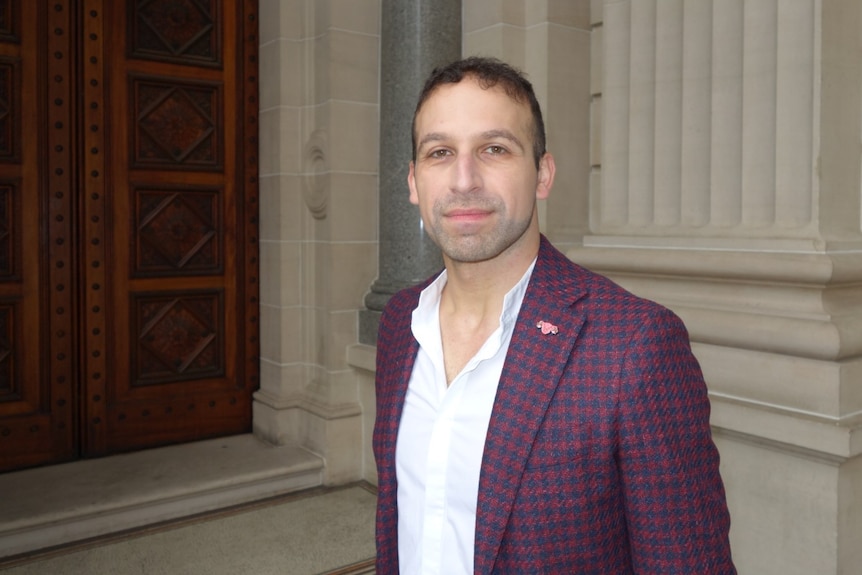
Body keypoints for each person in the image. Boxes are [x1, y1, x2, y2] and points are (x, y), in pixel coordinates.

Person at [372, 56, 736, 574]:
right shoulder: (400, 324)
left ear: (542, 173)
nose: (463, 178)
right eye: (440, 152)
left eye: (494, 149)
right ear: (413, 182)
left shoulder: (635, 346)